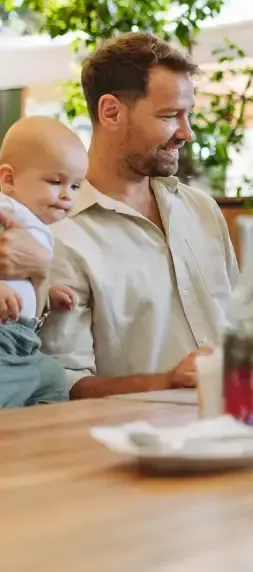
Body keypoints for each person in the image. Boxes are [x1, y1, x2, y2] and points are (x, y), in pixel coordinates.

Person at [39, 32, 238, 399]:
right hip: (127, 447)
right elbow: (62, 386)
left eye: (187, 114)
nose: (186, 133)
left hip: (236, 429)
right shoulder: (57, 233)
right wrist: (167, 383)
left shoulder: (201, 210)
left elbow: (241, 329)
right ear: (111, 112)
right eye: (169, 116)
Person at [0, 116, 87, 407]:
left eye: (75, 186)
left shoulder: (37, 225)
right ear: (8, 179)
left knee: (52, 381)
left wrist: (47, 292)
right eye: (55, 181)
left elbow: (21, 276)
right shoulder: (5, 208)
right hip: (3, 338)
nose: (66, 195)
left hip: (25, 342)